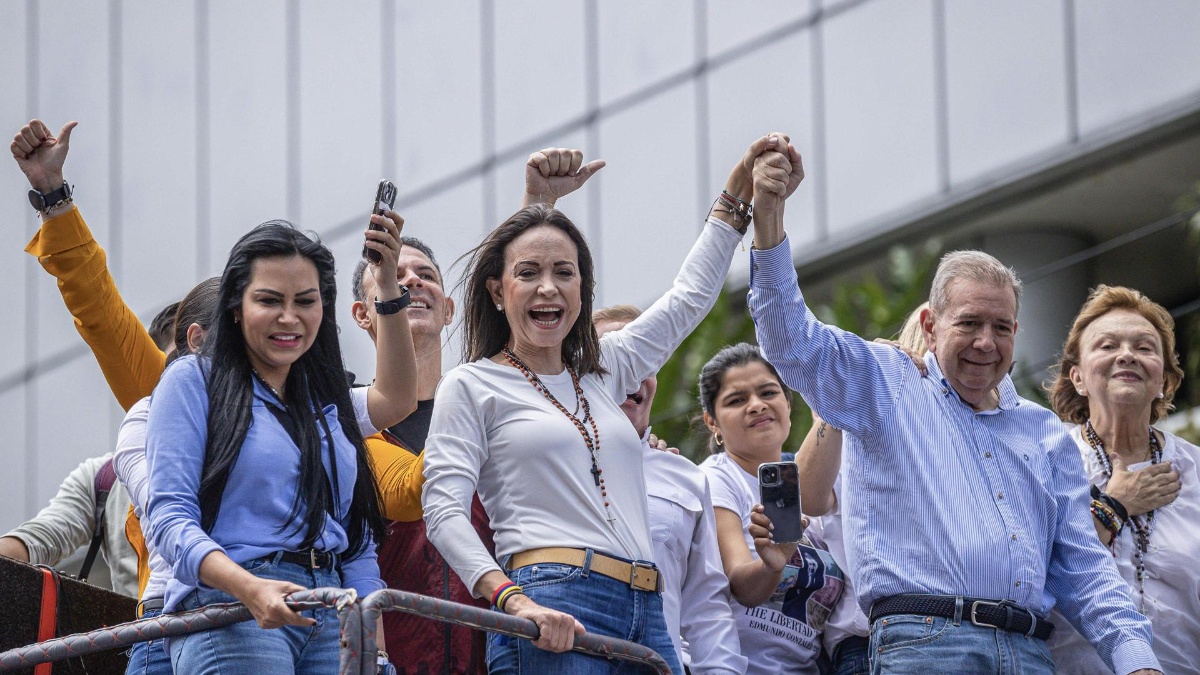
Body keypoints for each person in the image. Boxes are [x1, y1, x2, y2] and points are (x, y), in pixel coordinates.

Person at [743, 140, 1161, 674]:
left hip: (1031, 653)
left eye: (1001, 327)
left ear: (1017, 332)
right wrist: (769, 215)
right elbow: (789, 338)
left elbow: (1084, 569)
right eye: (969, 323)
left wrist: (1138, 661)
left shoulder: (1044, 432)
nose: (986, 342)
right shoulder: (886, 381)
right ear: (930, 326)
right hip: (927, 645)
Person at [422, 135, 782, 673]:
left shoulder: (603, 370)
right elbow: (443, 510)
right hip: (550, 602)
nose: (548, 288)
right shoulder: (472, 385)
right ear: (497, 292)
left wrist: (736, 195)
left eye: (564, 273)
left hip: (647, 609)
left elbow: (688, 299)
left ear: (582, 289)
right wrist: (511, 600)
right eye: (528, 274)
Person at [143, 218, 416, 673]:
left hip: (332, 608)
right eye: (269, 300)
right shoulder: (193, 380)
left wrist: (387, 285)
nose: (289, 317)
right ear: (235, 307)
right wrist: (249, 588)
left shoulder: (321, 401)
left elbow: (356, 540)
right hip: (231, 606)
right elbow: (170, 517)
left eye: (305, 301)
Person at [1045, 285, 1195, 673]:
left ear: (1164, 380)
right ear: (1078, 378)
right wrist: (1112, 508)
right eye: (1107, 345)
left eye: (1144, 347)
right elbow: (1026, 574)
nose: (1127, 355)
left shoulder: (1195, 470)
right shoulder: (1043, 459)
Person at [593, 305, 745, 674]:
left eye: (646, 357)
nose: (633, 370)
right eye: (616, 357)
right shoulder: (544, 461)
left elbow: (707, 607)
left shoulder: (686, 477)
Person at [795, 303, 928, 675]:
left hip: (962, 635)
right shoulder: (864, 426)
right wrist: (852, 386)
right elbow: (808, 496)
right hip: (869, 644)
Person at [697, 343, 844, 675]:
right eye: (737, 400)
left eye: (768, 393)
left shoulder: (814, 481)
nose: (756, 405)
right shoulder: (716, 479)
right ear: (712, 422)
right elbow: (742, 584)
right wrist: (771, 564)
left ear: (788, 405)